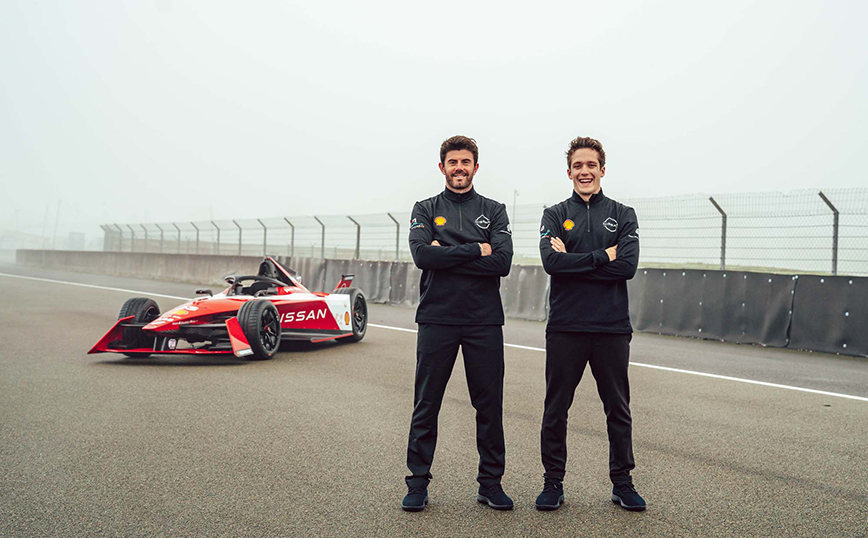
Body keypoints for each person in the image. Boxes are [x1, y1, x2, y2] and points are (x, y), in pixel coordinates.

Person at [402, 135, 514, 512]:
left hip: (484, 321)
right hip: (437, 318)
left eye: (466, 162)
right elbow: (422, 257)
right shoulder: (425, 208)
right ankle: (417, 483)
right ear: (442, 167)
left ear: (475, 167)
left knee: (489, 406)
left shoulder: (494, 210)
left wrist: (446, 254)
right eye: (453, 162)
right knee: (426, 403)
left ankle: (491, 484)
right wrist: (476, 249)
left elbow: (502, 263)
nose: (459, 168)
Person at [535, 136, 645, 512]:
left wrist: (576, 262)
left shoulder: (623, 214)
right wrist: (602, 257)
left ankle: (623, 483)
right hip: (565, 327)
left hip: (611, 327)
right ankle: (553, 482)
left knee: (618, 409)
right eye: (578, 166)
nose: (585, 171)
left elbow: (626, 267)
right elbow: (552, 264)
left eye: (591, 165)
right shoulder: (553, 214)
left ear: (602, 170)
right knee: (556, 409)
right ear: (569, 172)